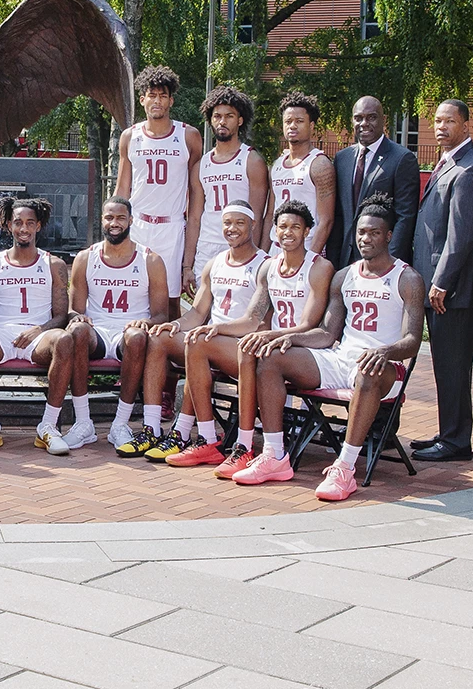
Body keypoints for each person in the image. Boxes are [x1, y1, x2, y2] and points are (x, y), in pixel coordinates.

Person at [248, 194, 424, 494]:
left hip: (384, 368)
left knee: (367, 371)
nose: (365, 239)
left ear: (389, 235)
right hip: (341, 359)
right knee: (271, 358)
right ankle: (275, 455)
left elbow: (412, 342)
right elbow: (328, 335)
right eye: (361, 232)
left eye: (374, 233)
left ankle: (344, 468)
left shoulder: (407, 278)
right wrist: (287, 338)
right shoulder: (344, 277)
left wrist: (383, 351)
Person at [120, 204, 268, 462]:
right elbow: (197, 313)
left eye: (240, 223)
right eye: (227, 223)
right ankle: (153, 428)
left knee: (197, 342)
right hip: (208, 340)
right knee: (159, 337)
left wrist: (214, 329)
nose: (232, 229)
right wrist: (176, 325)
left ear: (253, 225)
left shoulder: (265, 264)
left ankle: (200, 437)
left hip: (243, 347)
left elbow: (253, 322)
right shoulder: (215, 263)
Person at [194, 201, 332, 475]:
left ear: (307, 231)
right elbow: (252, 320)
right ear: (275, 231)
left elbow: (308, 325)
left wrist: (272, 335)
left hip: (304, 348)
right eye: (282, 227)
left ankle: (246, 446)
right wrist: (215, 328)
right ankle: (210, 439)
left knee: (252, 349)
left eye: (295, 227)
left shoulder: (320, 267)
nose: (288, 232)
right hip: (272, 345)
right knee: (201, 341)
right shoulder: (269, 268)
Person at [408, 99, 473, 463]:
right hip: (436, 287)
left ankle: (457, 441)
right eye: (437, 121)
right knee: (443, 365)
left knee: (454, 366)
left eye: (449, 121)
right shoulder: (448, 164)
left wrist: (441, 282)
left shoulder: (470, 169)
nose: (441, 127)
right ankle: (447, 433)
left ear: (466, 126)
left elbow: (462, 235)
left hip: (452, 294)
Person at [0, 198, 74, 453]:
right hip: (3, 333)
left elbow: (61, 316)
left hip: (39, 335)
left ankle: (48, 426)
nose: (24, 228)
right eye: (18, 223)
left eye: (30, 223)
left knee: (64, 339)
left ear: (39, 226)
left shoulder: (54, 264)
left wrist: (39, 329)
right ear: (8, 225)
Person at [66, 197, 170, 452]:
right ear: (101, 220)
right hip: (97, 331)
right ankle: (82, 422)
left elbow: (162, 315)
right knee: (77, 331)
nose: (115, 223)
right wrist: (76, 317)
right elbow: (73, 310)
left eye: (121, 218)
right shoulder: (85, 258)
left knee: (136, 337)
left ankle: (120, 424)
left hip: (130, 332)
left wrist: (146, 321)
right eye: (109, 217)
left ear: (131, 220)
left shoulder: (150, 260)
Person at [114, 65, 202, 315]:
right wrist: (115, 223)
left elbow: (196, 192)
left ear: (171, 100)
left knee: (171, 300)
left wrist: (191, 232)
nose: (157, 101)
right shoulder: (130, 136)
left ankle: (168, 353)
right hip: (138, 224)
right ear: (142, 99)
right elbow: (122, 186)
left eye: (163, 96)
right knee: (134, 291)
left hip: (171, 226)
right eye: (151, 95)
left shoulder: (188, 136)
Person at [189, 86, 270, 280]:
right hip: (207, 247)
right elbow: (194, 218)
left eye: (229, 116)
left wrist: (256, 256)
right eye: (217, 116)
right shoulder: (201, 165)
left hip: (239, 247)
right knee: (203, 309)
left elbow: (257, 216)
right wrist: (186, 265)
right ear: (210, 121)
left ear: (240, 120)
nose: (222, 121)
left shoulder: (252, 161)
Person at [329, 96, 420, 266]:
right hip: (346, 261)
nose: (364, 123)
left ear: (384, 120)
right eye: (358, 118)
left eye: (371, 117)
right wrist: (332, 261)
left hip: (382, 262)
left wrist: (389, 263)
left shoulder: (402, 159)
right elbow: (339, 216)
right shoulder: (342, 159)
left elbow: (405, 217)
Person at [270, 92, 337, 260]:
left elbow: (326, 220)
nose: (293, 126)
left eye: (299, 121)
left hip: (306, 247)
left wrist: (310, 260)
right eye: (288, 121)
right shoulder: (277, 164)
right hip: (276, 247)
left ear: (312, 126)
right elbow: (270, 214)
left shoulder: (319, 164)